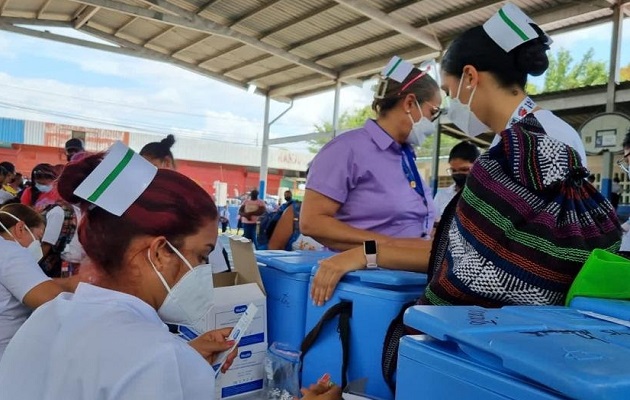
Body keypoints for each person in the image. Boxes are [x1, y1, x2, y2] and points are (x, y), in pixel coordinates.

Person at [309, 4, 605, 308]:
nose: (452, 108)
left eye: (451, 92)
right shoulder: (521, 138)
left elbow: (476, 255)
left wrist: (367, 254)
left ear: (470, 77)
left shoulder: (534, 142)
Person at [300, 61, 441, 252]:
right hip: (363, 276)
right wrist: (393, 247)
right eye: (433, 112)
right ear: (409, 103)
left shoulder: (405, 156)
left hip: (405, 274)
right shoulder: (346, 150)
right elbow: (312, 222)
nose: (432, 123)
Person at [0, 203, 75, 360]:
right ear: (20, 228)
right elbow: (55, 303)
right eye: (38, 238)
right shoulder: (10, 252)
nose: (38, 246)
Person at [433, 141, 480, 221]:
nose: (458, 174)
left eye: (464, 169)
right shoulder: (442, 196)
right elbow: (434, 224)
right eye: (454, 170)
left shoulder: (487, 195)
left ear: (478, 167)